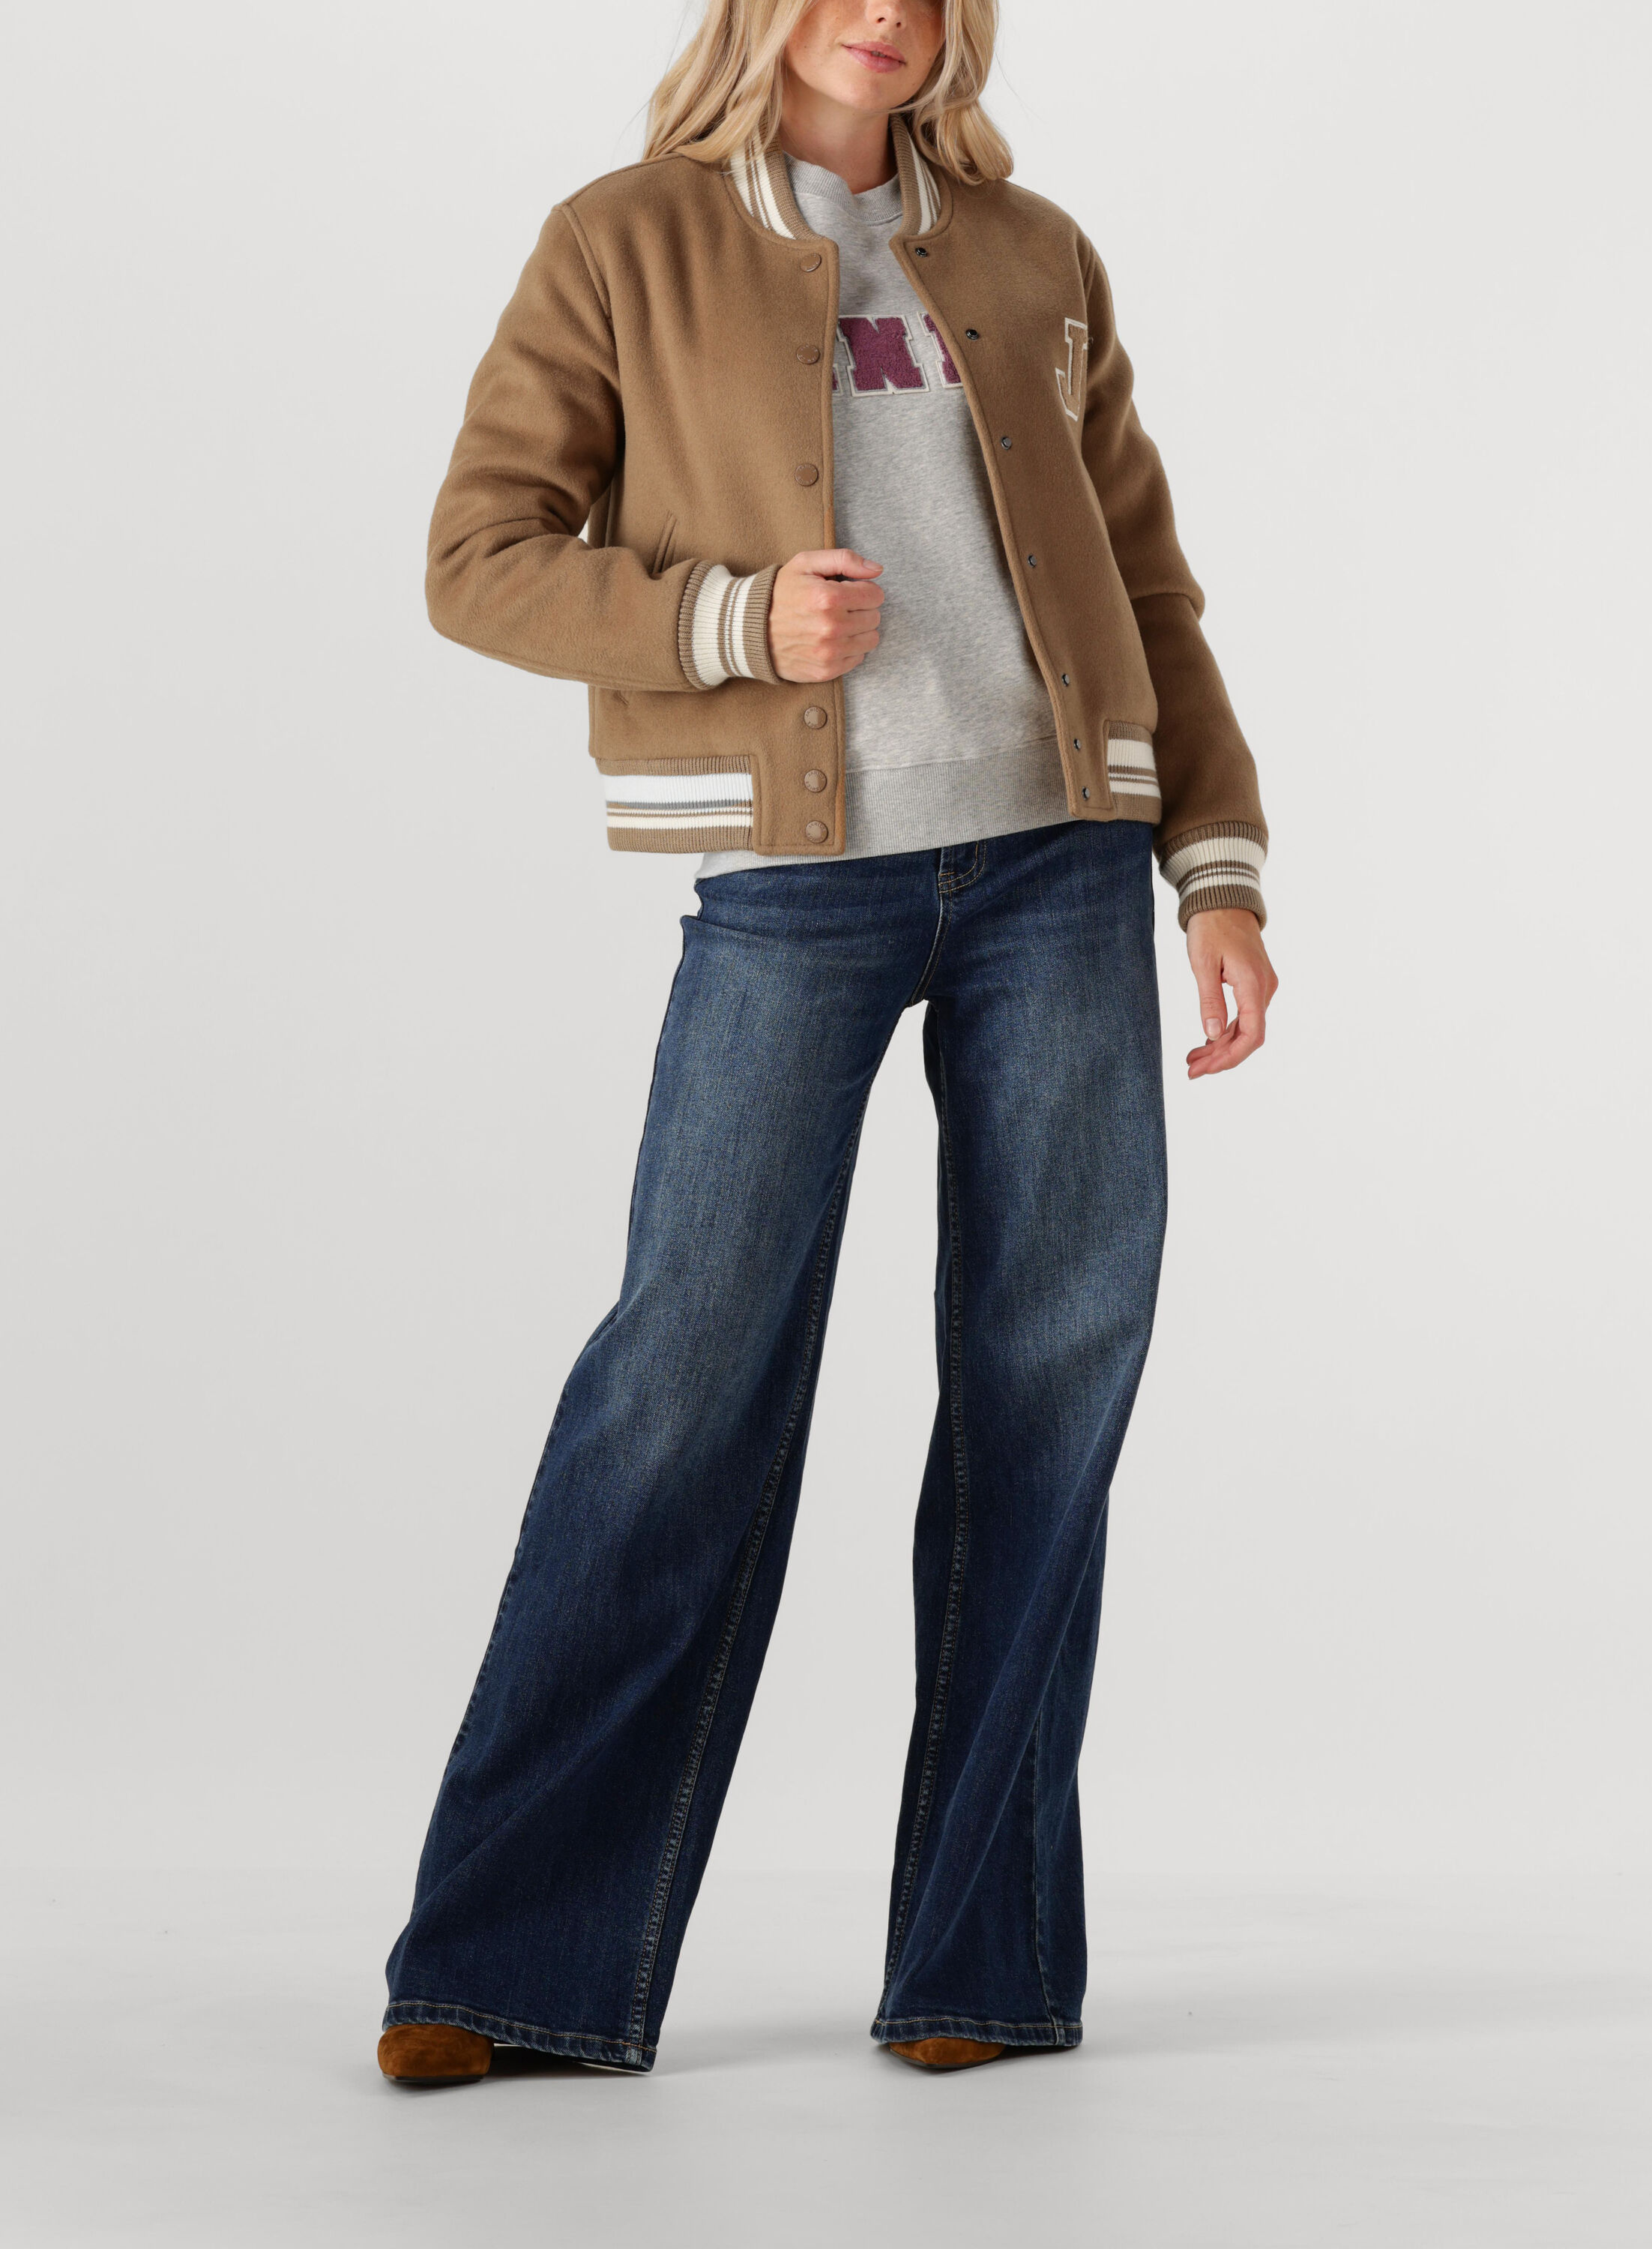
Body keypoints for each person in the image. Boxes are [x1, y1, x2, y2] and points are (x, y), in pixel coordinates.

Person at [377, 0, 1276, 2085]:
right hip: (796, 886)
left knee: (1047, 1394)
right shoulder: (624, 240)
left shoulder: (1033, 252)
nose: (884, 10)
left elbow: (1147, 583)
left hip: (1062, 869)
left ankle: (982, 1969)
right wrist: (730, 621)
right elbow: (478, 559)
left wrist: (1214, 869)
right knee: (679, 1385)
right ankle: (510, 1969)